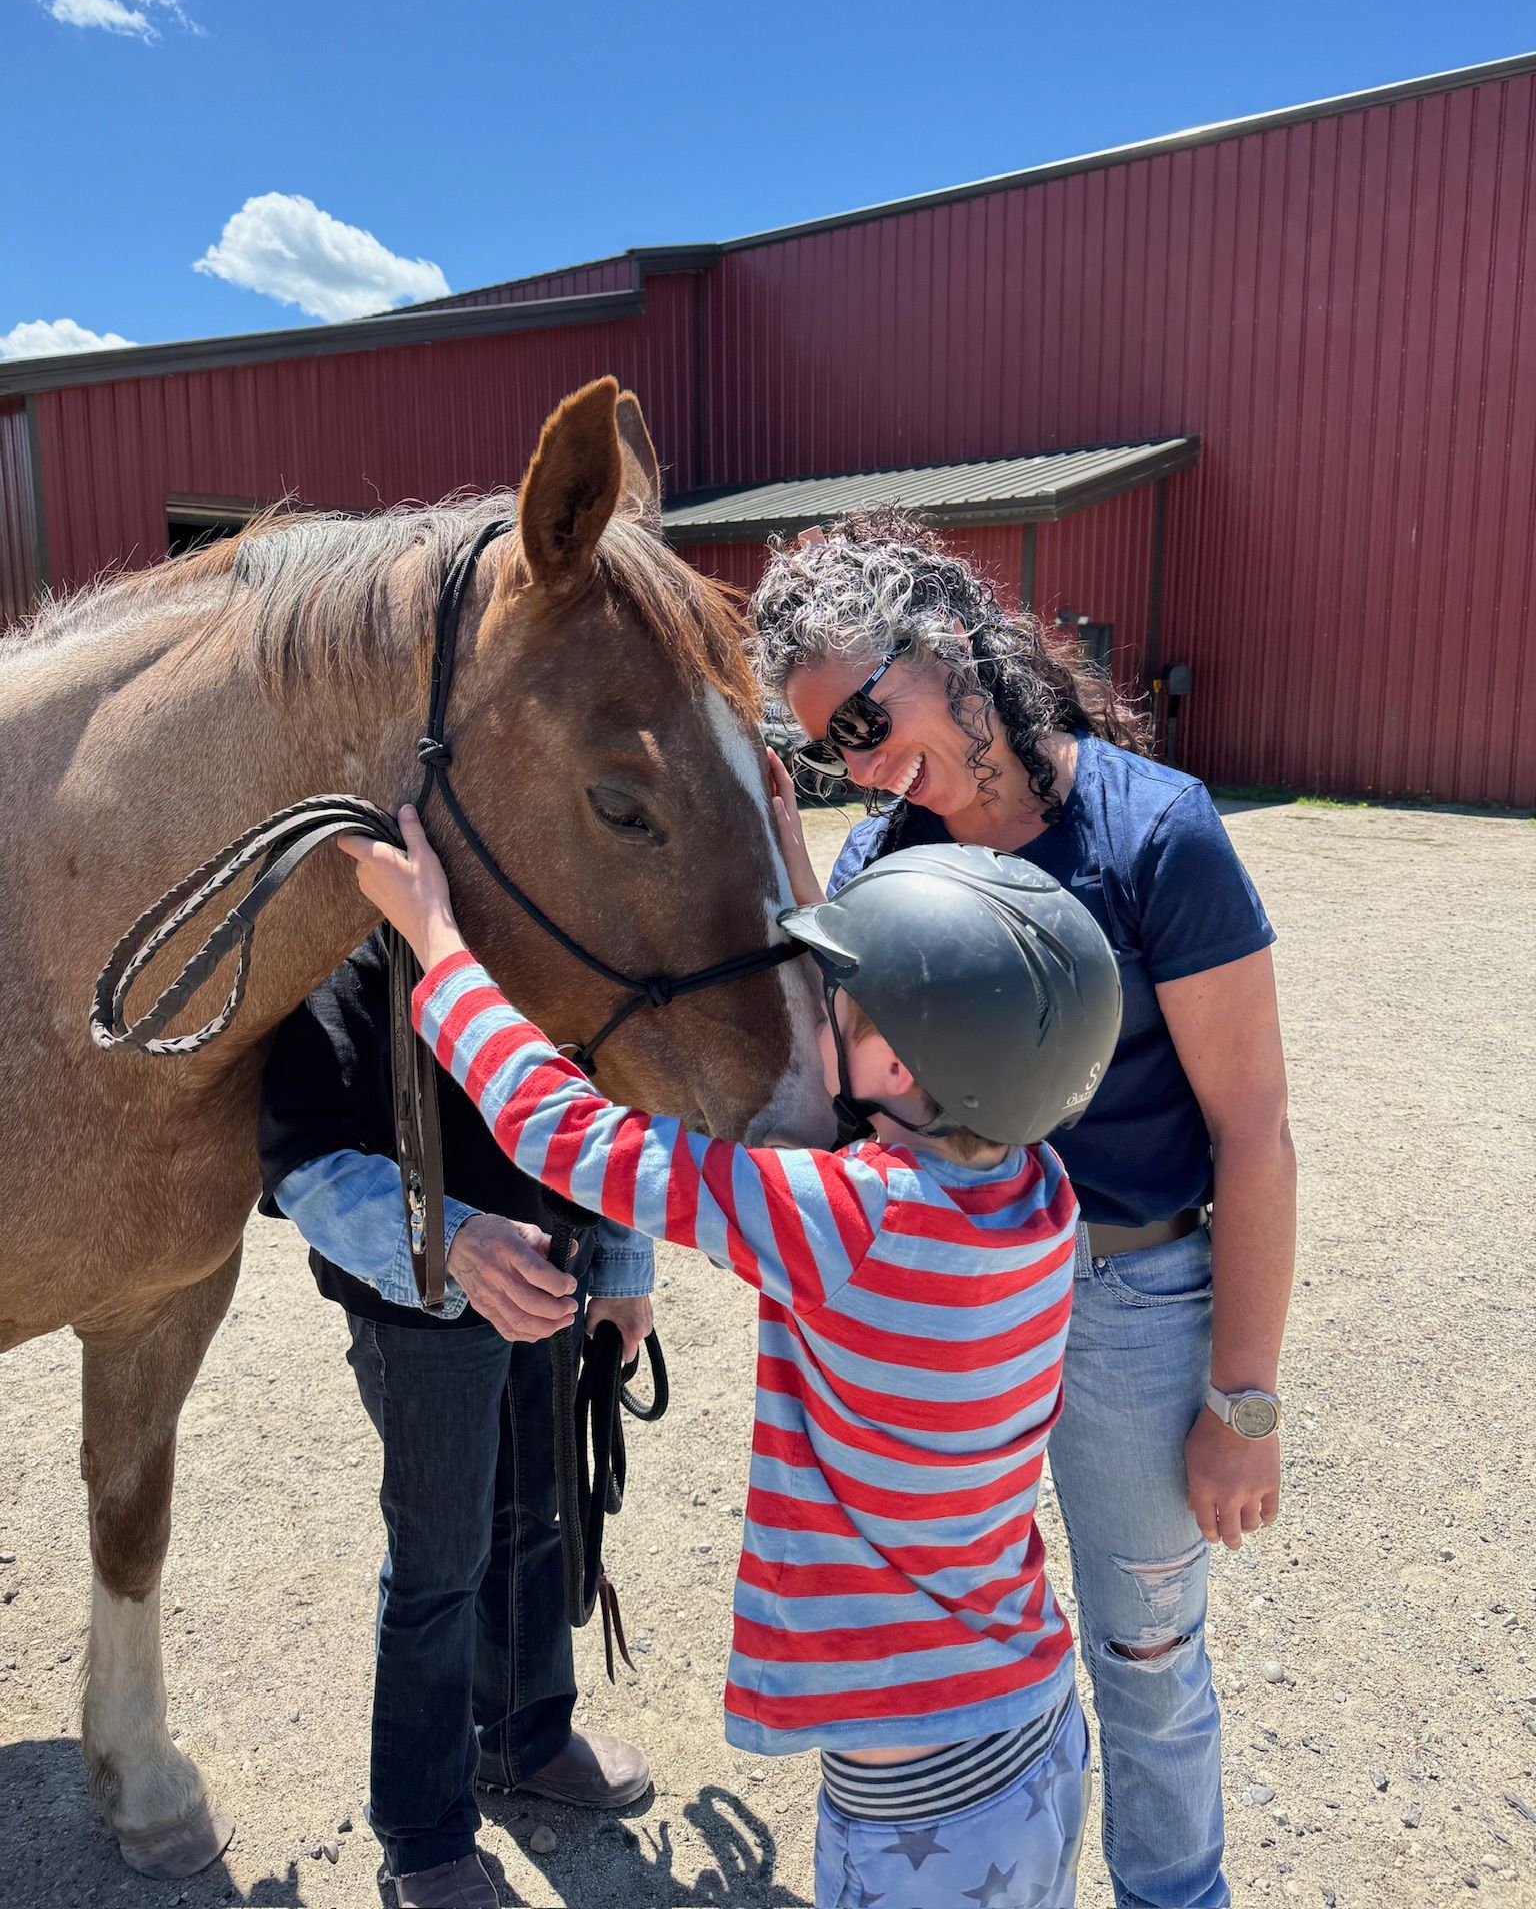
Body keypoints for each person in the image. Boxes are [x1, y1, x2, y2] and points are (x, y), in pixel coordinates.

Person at [335, 803, 1124, 1909]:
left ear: (895, 1058)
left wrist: (438, 939)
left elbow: (562, 1131)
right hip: (1032, 1724)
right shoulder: (1038, 1195)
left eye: (836, 1000)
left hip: (918, 1802)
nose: (813, 1012)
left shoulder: (847, 1221)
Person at [750, 512, 1296, 1909]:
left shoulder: (1155, 835)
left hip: (1127, 1311)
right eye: (832, 748)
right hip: (951, 1319)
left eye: (867, 716)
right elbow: (838, 1090)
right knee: (974, 1658)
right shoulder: (882, 862)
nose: (862, 765)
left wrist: (1241, 1400)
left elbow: (1252, 1131)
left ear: (950, 644)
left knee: (1148, 1660)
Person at [257, 930, 653, 1909]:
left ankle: (524, 1734)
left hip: (553, 1277)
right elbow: (299, 1155)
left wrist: (625, 1266)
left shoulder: (555, 926)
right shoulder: (350, 953)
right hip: (418, 1311)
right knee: (440, 1561)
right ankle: (422, 1827)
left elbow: (606, 1099)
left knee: (538, 1513)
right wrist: (452, 1241)